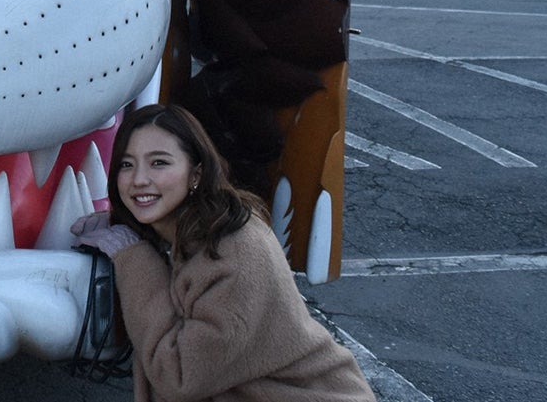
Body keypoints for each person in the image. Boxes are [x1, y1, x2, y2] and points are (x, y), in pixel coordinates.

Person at [71, 103, 375, 402]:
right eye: (126, 164)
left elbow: (179, 376)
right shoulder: (188, 227)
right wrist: (120, 226)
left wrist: (132, 255)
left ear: (196, 175)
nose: (138, 179)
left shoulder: (236, 252)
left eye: (159, 163)